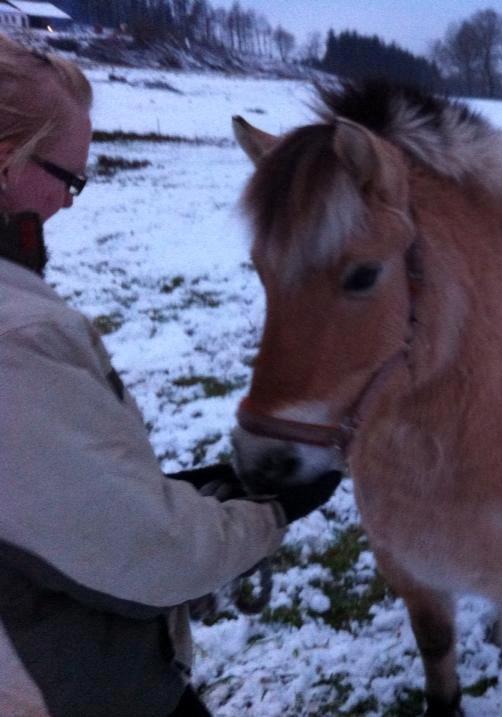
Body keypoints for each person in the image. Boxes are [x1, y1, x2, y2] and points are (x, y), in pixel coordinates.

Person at [0, 37, 341, 716]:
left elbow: (34, 502)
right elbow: (142, 548)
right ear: (5, 162)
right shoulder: (17, 336)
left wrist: (188, 491)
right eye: (68, 177)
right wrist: (270, 513)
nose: (71, 201)